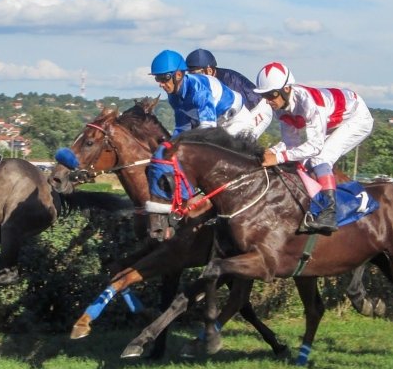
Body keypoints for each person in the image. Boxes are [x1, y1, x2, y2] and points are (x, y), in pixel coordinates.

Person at [253, 61, 373, 234]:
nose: (268, 101)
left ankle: (329, 213)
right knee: (302, 162)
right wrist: (272, 151)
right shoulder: (280, 108)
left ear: (286, 89)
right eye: (264, 95)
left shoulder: (308, 104)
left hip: (356, 118)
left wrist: (278, 157)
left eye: (271, 95)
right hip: (333, 120)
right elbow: (291, 144)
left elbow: (315, 147)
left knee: (320, 158)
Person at [150, 49, 256, 138]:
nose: (161, 84)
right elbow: (182, 128)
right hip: (218, 124)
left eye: (164, 78)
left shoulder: (198, 89)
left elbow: (208, 128)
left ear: (178, 75)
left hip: (238, 121)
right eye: (157, 79)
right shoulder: (173, 97)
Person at [185, 48, 272, 138]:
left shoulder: (229, 82)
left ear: (209, 71)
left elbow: (241, 115)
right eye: (189, 75)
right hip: (232, 116)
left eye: (195, 74)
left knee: (239, 142)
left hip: (258, 109)